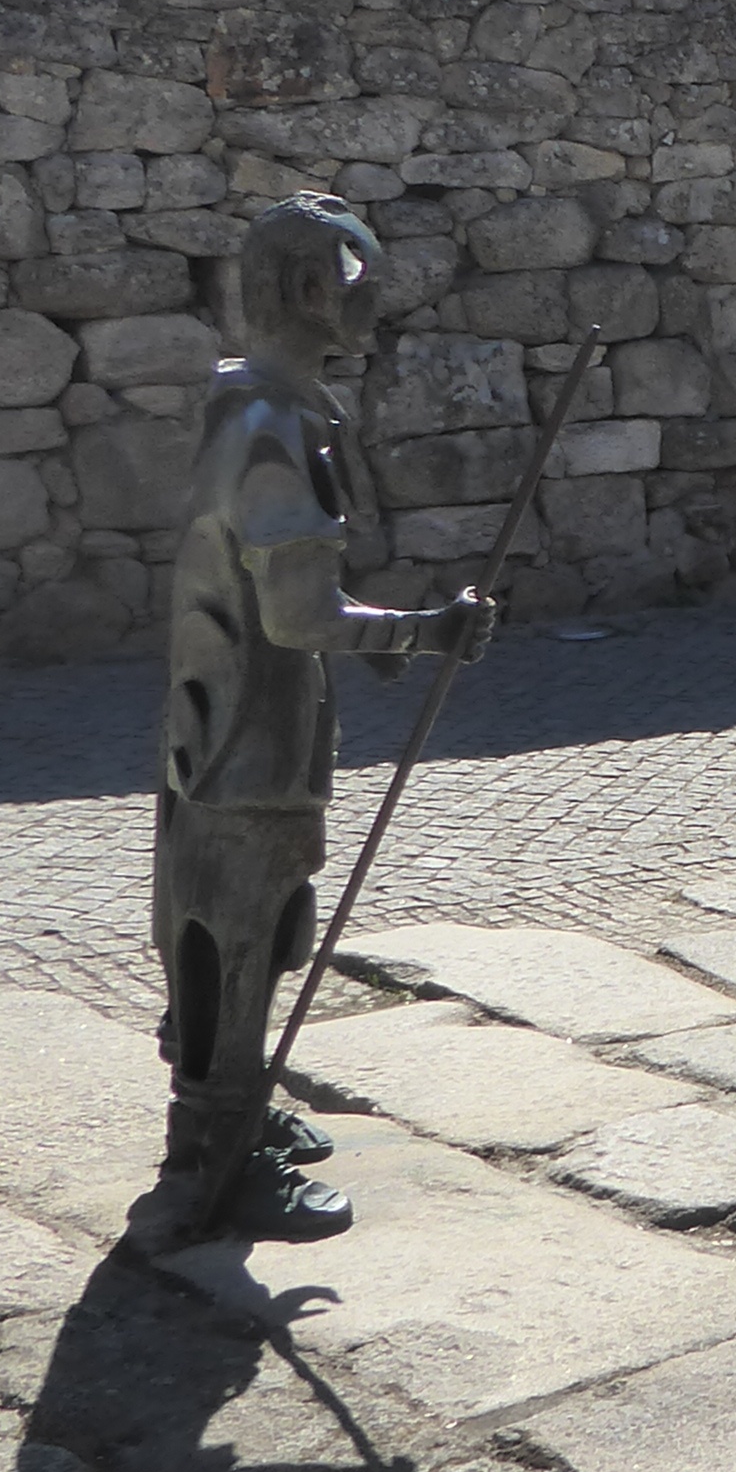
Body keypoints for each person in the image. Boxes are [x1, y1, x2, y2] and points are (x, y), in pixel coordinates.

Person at [153, 195, 495, 1237]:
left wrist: (382, 642)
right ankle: (219, 1158)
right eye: (361, 284)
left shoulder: (252, 401)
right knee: (242, 932)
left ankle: (235, 1106)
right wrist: (426, 632)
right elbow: (298, 615)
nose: (377, 307)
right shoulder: (270, 425)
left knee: (240, 927)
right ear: (311, 289)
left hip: (219, 725)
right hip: (249, 742)